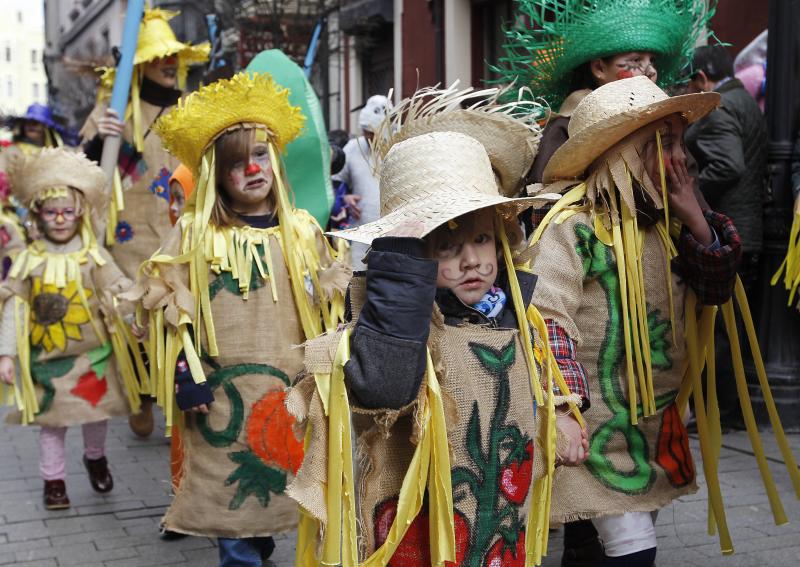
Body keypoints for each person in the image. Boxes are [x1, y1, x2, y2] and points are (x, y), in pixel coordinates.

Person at [287, 88, 588, 566]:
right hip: (421, 529)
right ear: (412, 253)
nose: (472, 261)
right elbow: (385, 388)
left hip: (498, 526)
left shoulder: (512, 309)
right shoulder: (397, 322)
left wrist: (563, 413)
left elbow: (539, 369)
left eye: (483, 239)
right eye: (446, 248)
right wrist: (402, 282)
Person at [132, 72, 349, 565]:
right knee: (230, 498)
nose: (252, 168)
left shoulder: (302, 232)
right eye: (236, 163)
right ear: (215, 174)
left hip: (288, 391)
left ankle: (259, 540)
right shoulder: (195, 235)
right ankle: (242, 553)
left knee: (279, 487)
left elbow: (326, 305)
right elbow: (169, 306)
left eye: (260, 156)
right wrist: (187, 375)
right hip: (221, 395)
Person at [529, 76, 743, 566]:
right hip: (594, 426)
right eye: (662, 143)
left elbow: (716, 287)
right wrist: (561, 406)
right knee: (632, 550)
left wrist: (694, 217)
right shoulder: (573, 228)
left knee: (595, 546)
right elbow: (545, 315)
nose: (681, 156)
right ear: (622, 153)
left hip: (649, 426)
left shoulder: (665, 224)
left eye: (679, 141)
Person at [81, 8, 209, 438]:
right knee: (134, 317)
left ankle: (171, 393)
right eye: (158, 57)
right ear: (140, 65)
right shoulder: (114, 109)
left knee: (177, 316)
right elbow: (86, 172)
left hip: (179, 231)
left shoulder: (193, 109)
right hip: (129, 233)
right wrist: (101, 137)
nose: (169, 64)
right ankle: (138, 396)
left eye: (173, 55)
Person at [0, 148, 144, 510]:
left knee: (96, 415)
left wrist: (133, 320)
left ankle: (95, 457)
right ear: (38, 214)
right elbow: (15, 308)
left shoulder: (92, 257)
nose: (60, 219)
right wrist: (7, 353)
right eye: (52, 212)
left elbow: (118, 289)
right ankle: (54, 481)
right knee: (53, 423)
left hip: (93, 357)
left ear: (80, 212)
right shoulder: (28, 262)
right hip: (47, 359)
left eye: (67, 211)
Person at [495, 0, 715, 188]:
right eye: (636, 61)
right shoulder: (567, 127)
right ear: (599, 68)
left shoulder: (665, 125)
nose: (651, 71)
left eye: (652, 61)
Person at [686, 45, 768, 430]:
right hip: (749, 227)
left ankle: (716, 415)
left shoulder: (721, 108)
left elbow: (728, 164)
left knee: (720, 328)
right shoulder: (745, 100)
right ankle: (727, 411)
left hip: (734, 230)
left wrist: (689, 191)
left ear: (701, 80)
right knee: (729, 328)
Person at [333, 95, 390, 269]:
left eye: (372, 133)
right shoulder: (352, 147)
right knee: (357, 287)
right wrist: (345, 198)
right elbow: (333, 185)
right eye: (365, 132)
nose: (368, 137)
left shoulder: (400, 145)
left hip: (394, 238)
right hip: (359, 237)